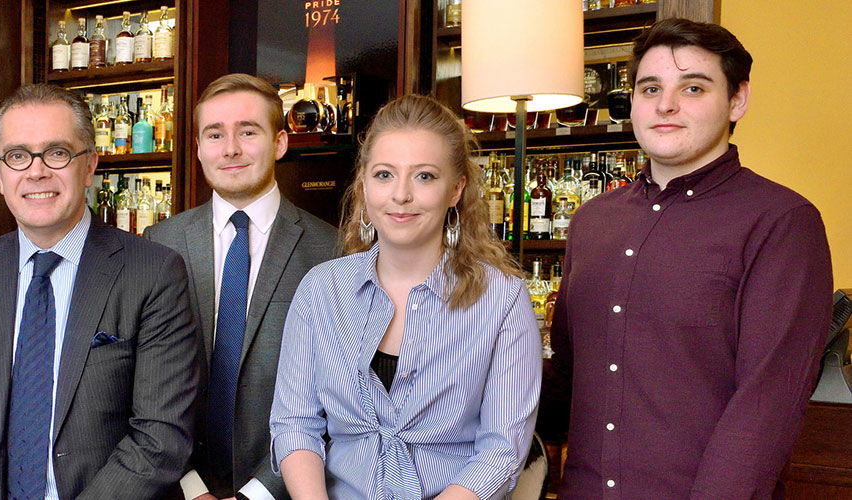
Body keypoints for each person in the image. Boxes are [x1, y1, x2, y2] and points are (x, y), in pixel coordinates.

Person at [542, 19, 833, 498]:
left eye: (693, 87)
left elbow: (764, 409)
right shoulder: (593, 221)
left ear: (738, 99)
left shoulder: (782, 222)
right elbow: (567, 380)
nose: (665, 105)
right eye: (649, 87)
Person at [0, 83, 201, 500]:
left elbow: (160, 438)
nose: (36, 172)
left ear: (89, 166)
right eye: (17, 156)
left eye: (57, 153)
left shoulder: (155, 273)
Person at [270, 94, 540, 500]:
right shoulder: (320, 290)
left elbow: (502, 450)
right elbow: (294, 423)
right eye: (384, 175)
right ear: (363, 184)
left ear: (456, 189)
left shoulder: (503, 299)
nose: (400, 195)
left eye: (424, 176)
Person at [143, 73, 339, 500]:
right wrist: (192, 488)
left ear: (280, 143)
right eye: (214, 134)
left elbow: (337, 398)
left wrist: (258, 495)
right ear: (197, 149)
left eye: (248, 132)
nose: (230, 148)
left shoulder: (333, 251)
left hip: (285, 489)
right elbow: (145, 385)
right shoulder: (160, 244)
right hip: (177, 487)